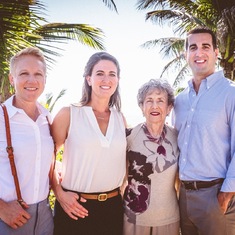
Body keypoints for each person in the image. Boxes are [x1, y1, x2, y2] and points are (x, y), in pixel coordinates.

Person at [51, 52, 127, 235]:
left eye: (112, 74)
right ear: (89, 79)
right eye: (99, 73)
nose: (106, 79)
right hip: (75, 207)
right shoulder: (69, 113)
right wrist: (60, 195)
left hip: (113, 208)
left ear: (117, 80)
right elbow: (49, 158)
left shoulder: (121, 119)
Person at [173, 27, 235, 235]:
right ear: (186, 55)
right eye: (193, 47)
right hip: (183, 197)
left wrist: (226, 195)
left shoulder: (230, 93)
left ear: (216, 52)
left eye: (205, 46)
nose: (199, 53)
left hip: (216, 196)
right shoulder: (180, 101)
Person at [0, 47, 54, 234]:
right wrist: (2, 209)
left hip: (46, 217)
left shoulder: (48, 118)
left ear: (45, 80)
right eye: (24, 73)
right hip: (9, 218)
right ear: (12, 79)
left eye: (38, 74)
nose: (32, 80)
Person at [123, 79, 180, 235]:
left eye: (160, 101)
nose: (154, 106)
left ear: (169, 108)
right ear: (142, 107)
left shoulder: (177, 137)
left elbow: (180, 181)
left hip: (169, 218)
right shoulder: (129, 136)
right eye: (149, 101)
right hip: (134, 219)